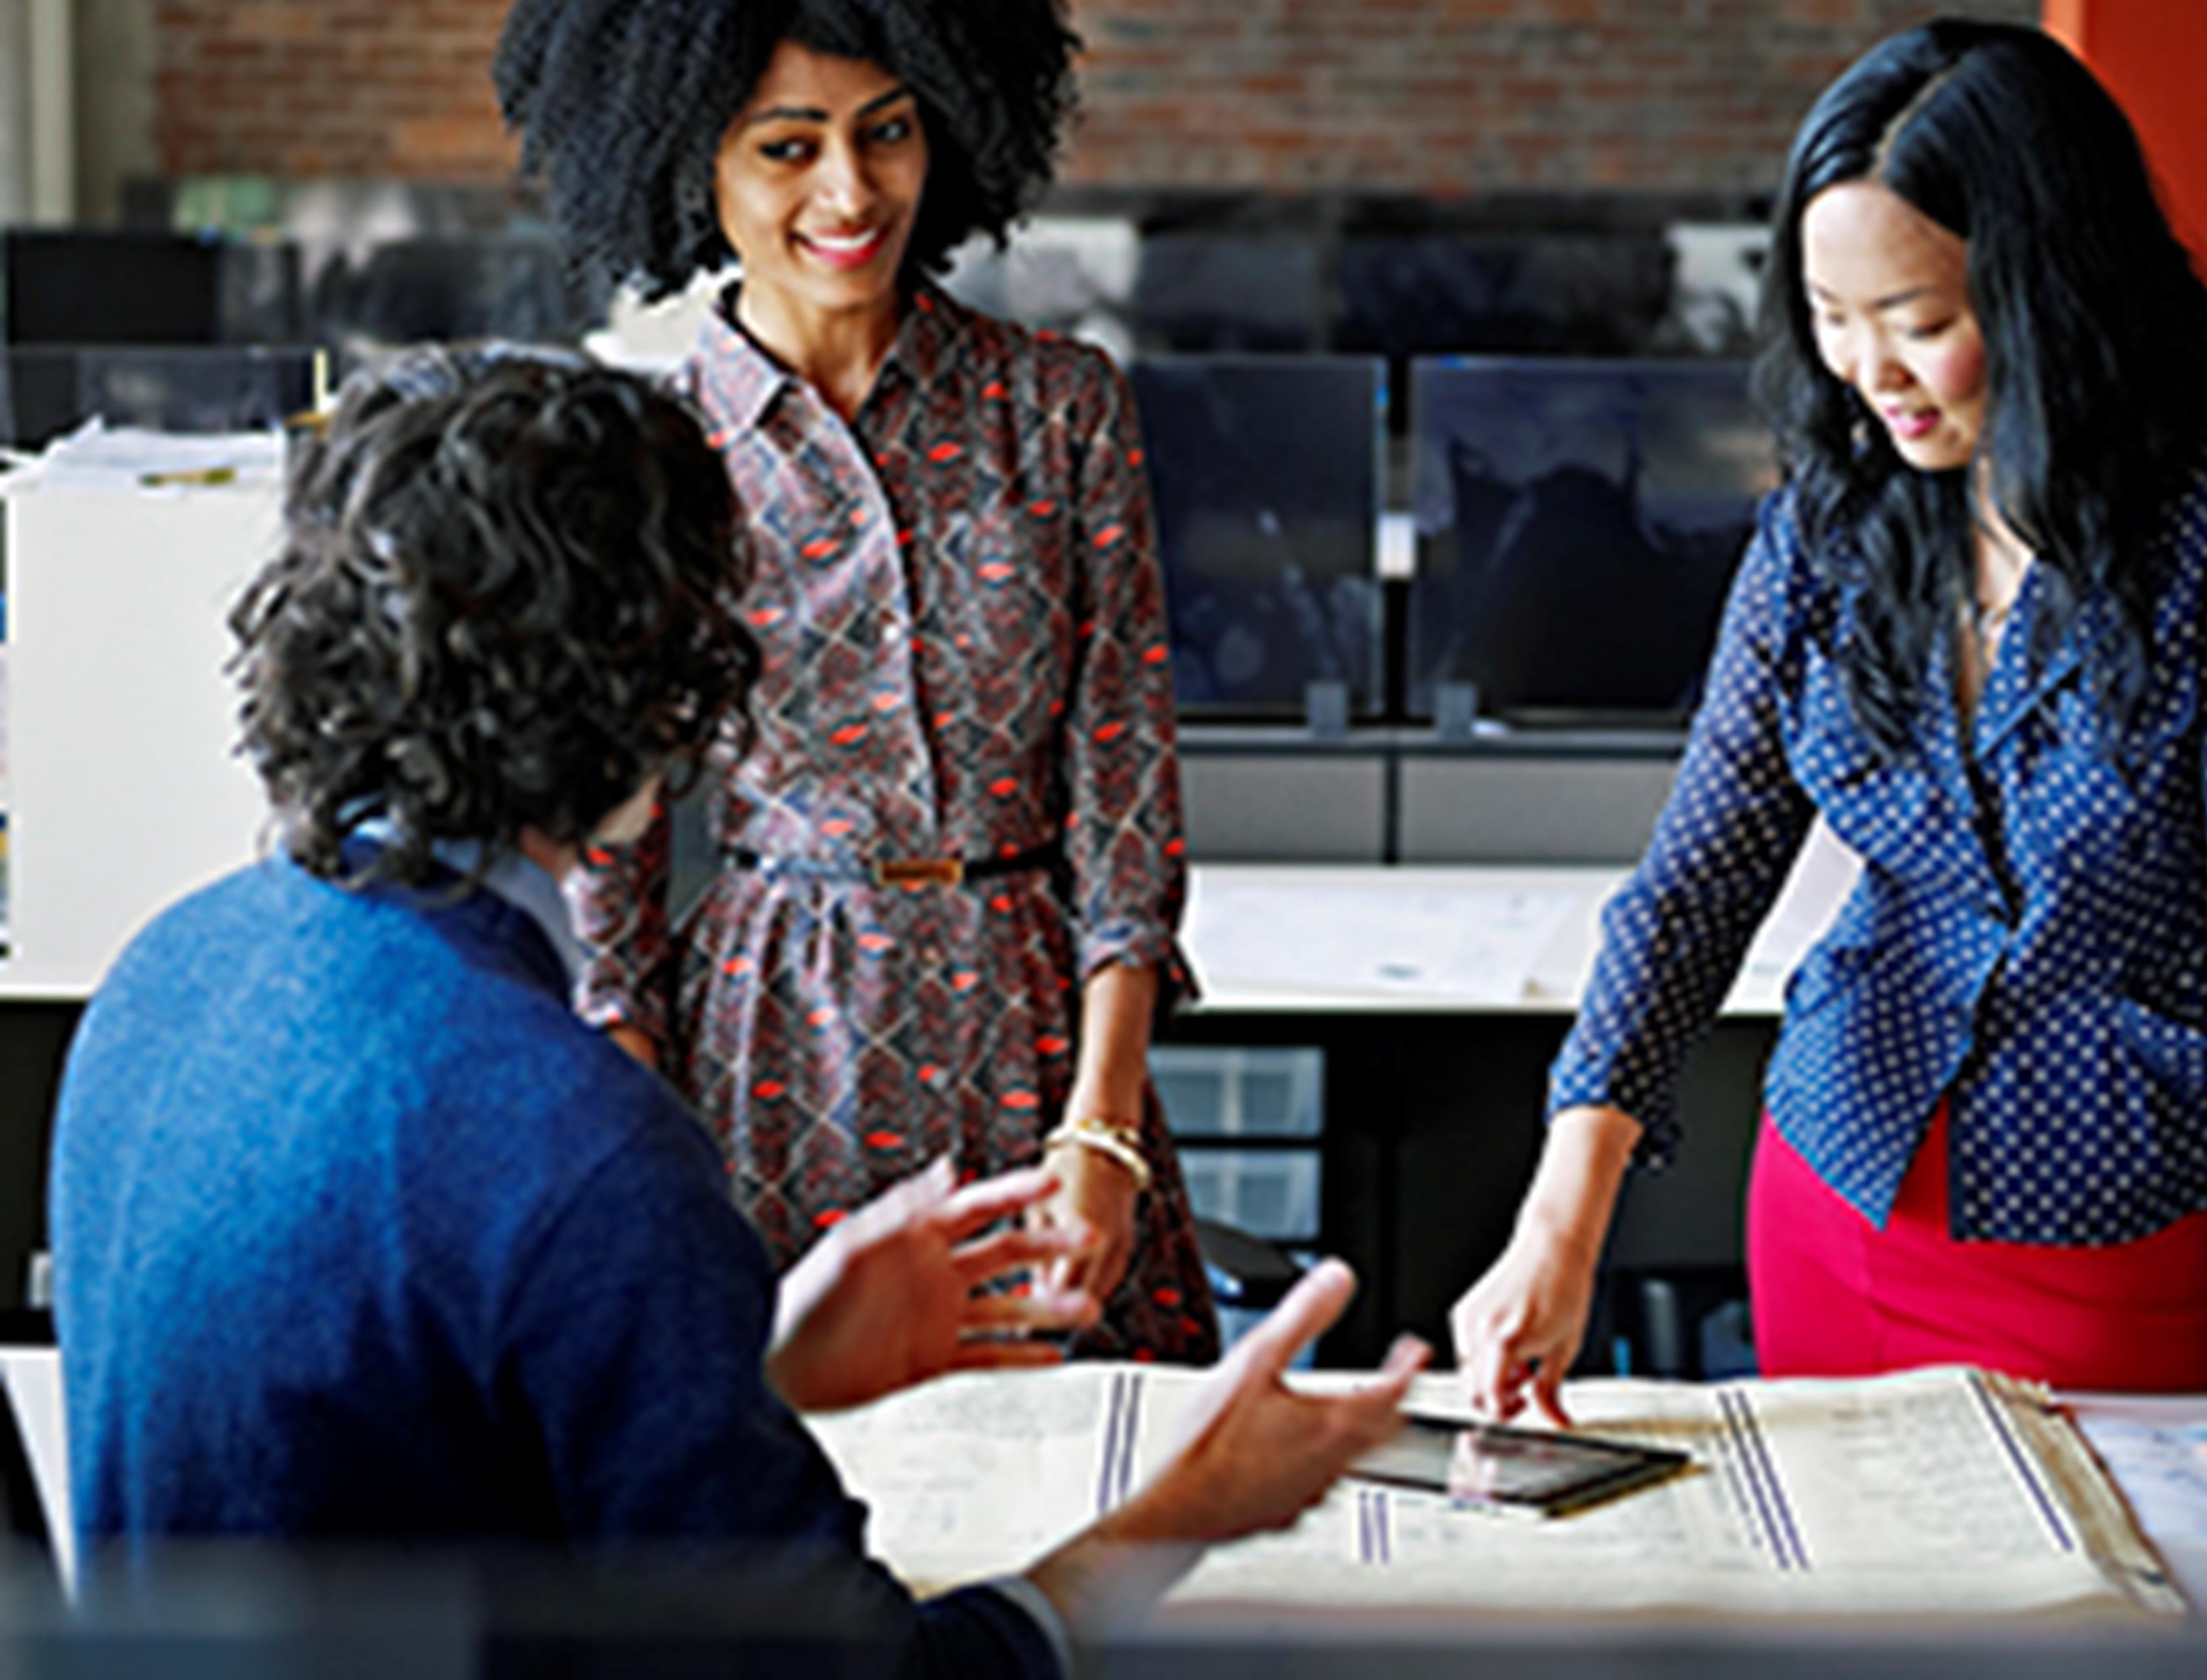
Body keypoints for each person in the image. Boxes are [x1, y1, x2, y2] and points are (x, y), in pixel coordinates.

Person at [47, 350, 1427, 1669]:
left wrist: (751, 1366)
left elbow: (416, 1461)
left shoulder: (163, 981)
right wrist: (1181, 1514)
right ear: (651, 679)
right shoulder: (578, 1144)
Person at [1450, 19, 2207, 1507]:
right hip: (1834, 1190)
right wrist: (1560, 1218)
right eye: (1831, 317)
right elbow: (1699, 880)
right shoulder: (1832, 529)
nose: (1867, 372)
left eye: (1912, 316)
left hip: (2105, 1229)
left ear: (2044, 292)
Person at [493, 0, 1216, 1363]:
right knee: (785, 1499)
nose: (852, 190)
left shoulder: (1059, 409)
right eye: (788, 146)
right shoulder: (650, 451)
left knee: (1084, 1494)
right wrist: (638, 1138)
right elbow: (609, 870)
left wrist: (1105, 1128)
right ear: (689, 160)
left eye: (887, 132)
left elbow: (1126, 802)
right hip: (767, 1040)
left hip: (1034, 1029)